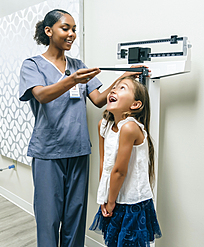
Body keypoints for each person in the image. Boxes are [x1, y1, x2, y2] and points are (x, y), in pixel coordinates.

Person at [19, 9, 141, 247]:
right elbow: (42, 95)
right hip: (48, 153)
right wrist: (72, 80)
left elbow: (97, 99)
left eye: (74, 29)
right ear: (49, 31)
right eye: (66, 28)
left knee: (75, 216)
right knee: (49, 218)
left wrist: (123, 78)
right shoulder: (32, 65)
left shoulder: (77, 65)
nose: (72, 34)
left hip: (78, 150)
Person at [89, 76, 162, 246]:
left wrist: (111, 201)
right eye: (114, 87)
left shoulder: (129, 127)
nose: (113, 90)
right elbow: (104, 163)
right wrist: (104, 198)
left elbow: (119, 171)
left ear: (135, 104)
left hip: (132, 202)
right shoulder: (103, 125)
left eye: (122, 88)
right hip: (113, 197)